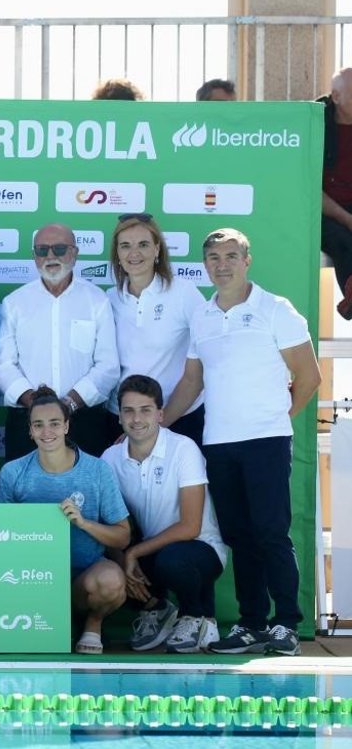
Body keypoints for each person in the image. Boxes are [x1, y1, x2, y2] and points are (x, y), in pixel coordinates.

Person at [163, 228, 321, 657]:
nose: (222, 265)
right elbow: (191, 381)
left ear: (246, 261)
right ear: (205, 264)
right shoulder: (202, 316)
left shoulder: (276, 309)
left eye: (231, 256)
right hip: (219, 444)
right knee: (239, 536)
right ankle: (252, 623)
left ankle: (286, 623)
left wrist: (276, 418)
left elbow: (309, 377)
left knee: (271, 533)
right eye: (213, 257)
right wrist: (159, 421)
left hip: (266, 441)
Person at [0, 388, 131, 655]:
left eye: (55, 423)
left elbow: (123, 536)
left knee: (111, 581)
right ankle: (50, 624)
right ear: (30, 430)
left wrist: (84, 523)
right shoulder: (13, 472)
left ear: (66, 426)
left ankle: (92, 623)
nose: (47, 432)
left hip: (84, 577)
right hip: (29, 579)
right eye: (38, 425)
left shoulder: (97, 470)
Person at [101, 375, 227, 654]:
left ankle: (197, 617)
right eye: (128, 411)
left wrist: (134, 554)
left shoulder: (183, 448)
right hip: (151, 550)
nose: (136, 419)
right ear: (119, 416)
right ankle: (156, 609)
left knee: (172, 559)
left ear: (160, 414)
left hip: (201, 549)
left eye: (145, 410)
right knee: (107, 567)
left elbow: (191, 527)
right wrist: (123, 560)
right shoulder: (110, 458)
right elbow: (107, 522)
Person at [0, 223, 120, 460]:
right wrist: (34, 404)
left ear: (75, 253)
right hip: (27, 421)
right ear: (34, 256)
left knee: (85, 484)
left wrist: (69, 403)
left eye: (59, 249)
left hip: (84, 419)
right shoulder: (15, 303)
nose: (50, 256)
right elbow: (3, 365)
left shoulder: (97, 301)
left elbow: (108, 366)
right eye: (42, 250)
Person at [106, 213, 206, 448]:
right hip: (122, 420)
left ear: (157, 249)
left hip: (179, 419)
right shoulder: (109, 299)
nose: (134, 253)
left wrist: (159, 425)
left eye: (143, 244)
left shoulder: (183, 293)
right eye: (125, 246)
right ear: (117, 253)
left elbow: (206, 358)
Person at [318, 68, 352, 319]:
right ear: (336, 97)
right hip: (324, 212)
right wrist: (348, 219)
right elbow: (309, 189)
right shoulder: (315, 125)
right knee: (343, 240)